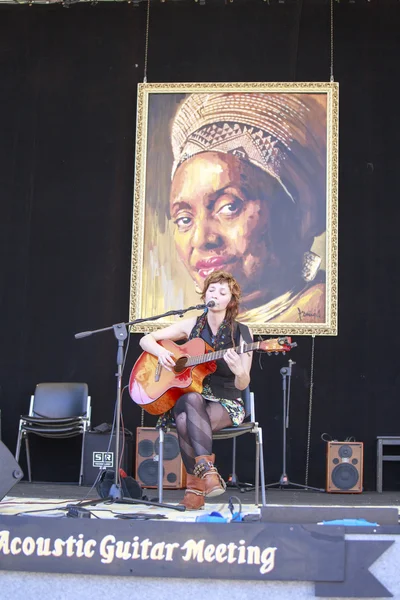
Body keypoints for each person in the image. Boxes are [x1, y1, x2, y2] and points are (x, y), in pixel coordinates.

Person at [168, 92, 327, 324]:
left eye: (229, 206)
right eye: (184, 219)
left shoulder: (320, 314)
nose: (201, 239)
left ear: (300, 213)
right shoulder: (206, 328)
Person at [139, 270, 253, 510]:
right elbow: (146, 339)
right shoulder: (191, 324)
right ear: (204, 297)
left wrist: (239, 371)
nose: (216, 294)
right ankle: (208, 473)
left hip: (227, 401)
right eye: (212, 289)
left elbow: (243, 384)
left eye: (223, 292)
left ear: (230, 302)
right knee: (190, 399)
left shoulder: (243, 333)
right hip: (193, 398)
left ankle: (195, 489)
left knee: (183, 419)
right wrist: (162, 353)